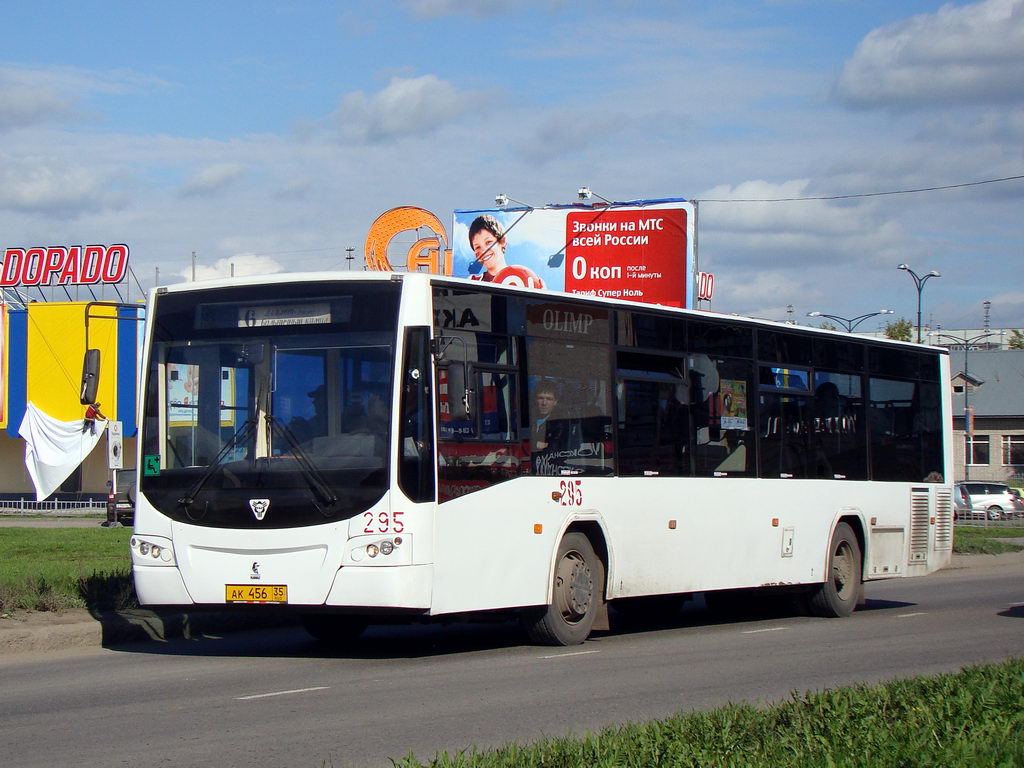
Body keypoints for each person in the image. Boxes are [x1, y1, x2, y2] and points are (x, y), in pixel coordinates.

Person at [468, 215, 545, 288]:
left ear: (502, 241)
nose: (483, 251)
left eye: (488, 242)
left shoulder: (528, 279)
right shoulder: (473, 281)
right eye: (477, 247)